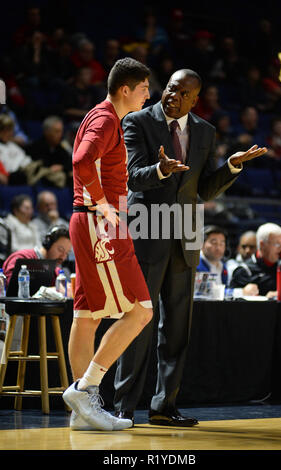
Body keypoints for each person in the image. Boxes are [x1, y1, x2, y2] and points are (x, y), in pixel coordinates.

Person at [113, 68, 267, 426]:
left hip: (186, 233)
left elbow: (205, 189)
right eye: (170, 88)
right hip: (147, 228)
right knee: (138, 322)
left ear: (195, 100)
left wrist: (232, 166)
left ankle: (163, 406)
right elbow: (132, 175)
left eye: (183, 93)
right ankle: (122, 406)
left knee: (177, 328)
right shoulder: (138, 121)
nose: (173, 96)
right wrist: (162, 170)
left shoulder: (205, 131)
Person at [62, 57, 153, 432]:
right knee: (141, 310)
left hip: (89, 221)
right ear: (125, 89)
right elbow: (82, 160)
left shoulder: (104, 117)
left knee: (87, 316)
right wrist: (101, 202)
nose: (150, 93)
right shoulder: (105, 119)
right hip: (100, 223)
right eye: (145, 87)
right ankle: (87, 389)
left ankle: (80, 411)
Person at [230, 223, 281, 297]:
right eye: (277, 244)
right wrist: (243, 292)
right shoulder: (244, 270)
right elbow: (230, 300)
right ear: (262, 245)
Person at [197, 225, 259, 296]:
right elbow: (204, 292)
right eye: (214, 243)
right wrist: (241, 292)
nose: (218, 247)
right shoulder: (196, 265)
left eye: (222, 243)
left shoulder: (222, 266)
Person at [2, 225, 71, 286]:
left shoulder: (57, 271)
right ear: (48, 243)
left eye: (67, 253)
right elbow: (11, 287)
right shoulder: (22, 257)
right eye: (60, 250)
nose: (63, 257)